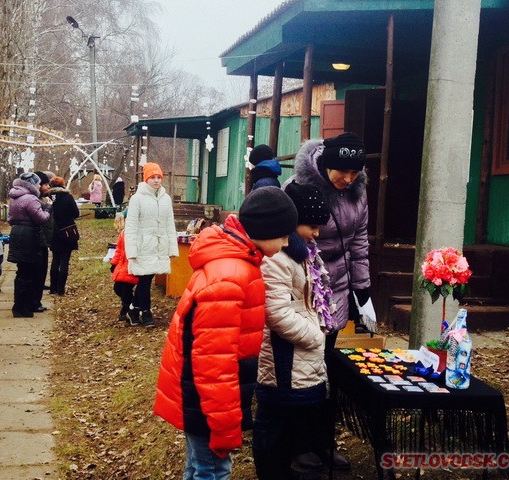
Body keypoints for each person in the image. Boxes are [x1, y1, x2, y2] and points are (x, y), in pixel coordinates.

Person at [153, 186, 299, 480]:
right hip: (209, 403)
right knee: (214, 471)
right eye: (283, 234)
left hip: (205, 398)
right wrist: (223, 423)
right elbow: (214, 361)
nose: (287, 242)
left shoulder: (240, 262)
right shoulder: (231, 275)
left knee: (198, 466)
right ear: (265, 229)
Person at [288, 131, 369, 472]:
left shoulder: (356, 192)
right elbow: (281, 240)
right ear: (325, 164)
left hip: (336, 293)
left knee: (325, 369)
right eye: (341, 172)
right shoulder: (296, 188)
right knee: (300, 369)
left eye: (354, 173)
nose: (347, 179)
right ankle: (297, 444)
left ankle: (324, 441)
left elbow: (359, 241)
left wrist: (362, 293)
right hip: (304, 290)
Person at [253, 182, 332, 480]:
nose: (317, 233)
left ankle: (283, 469)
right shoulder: (278, 259)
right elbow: (276, 313)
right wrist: (314, 337)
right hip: (283, 355)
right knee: (273, 420)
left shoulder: (302, 253)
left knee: (287, 420)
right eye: (311, 226)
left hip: (297, 353)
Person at [124, 162, 178, 327]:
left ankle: (133, 308)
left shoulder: (166, 198)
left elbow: (170, 223)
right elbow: (131, 225)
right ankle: (145, 312)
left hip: (159, 246)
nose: (156, 181)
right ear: (146, 179)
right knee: (145, 280)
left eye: (158, 177)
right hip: (143, 246)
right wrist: (131, 250)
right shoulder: (137, 199)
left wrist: (172, 247)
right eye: (152, 177)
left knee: (148, 278)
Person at [7, 172, 52, 318]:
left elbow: (9, 218)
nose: (40, 185)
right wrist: (48, 208)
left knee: (22, 272)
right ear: (32, 184)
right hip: (29, 236)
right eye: (38, 183)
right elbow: (42, 219)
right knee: (29, 272)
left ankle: (20, 305)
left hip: (17, 234)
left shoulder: (14, 198)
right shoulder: (31, 199)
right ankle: (21, 307)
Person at [48, 176, 79, 295]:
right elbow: (75, 213)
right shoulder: (67, 197)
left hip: (53, 231)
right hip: (67, 231)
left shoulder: (48, 197)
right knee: (64, 260)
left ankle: (52, 287)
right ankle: (60, 289)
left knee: (55, 259)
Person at [30, 171, 53, 312]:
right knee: (36, 273)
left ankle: (35, 301)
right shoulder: (35, 201)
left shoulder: (40, 199)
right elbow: (42, 219)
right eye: (45, 184)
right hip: (37, 241)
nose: (48, 187)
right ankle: (33, 302)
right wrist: (49, 207)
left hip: (41, 241)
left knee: (39, 273)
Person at [109, 210, 138, 323]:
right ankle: (131, 305)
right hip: (122, 266)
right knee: (118, 288)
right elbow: (119, 250)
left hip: (132, 266)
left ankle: (126, 309)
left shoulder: (137, 234)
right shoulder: (124, 234)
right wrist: (114, 263)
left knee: (125, 289)